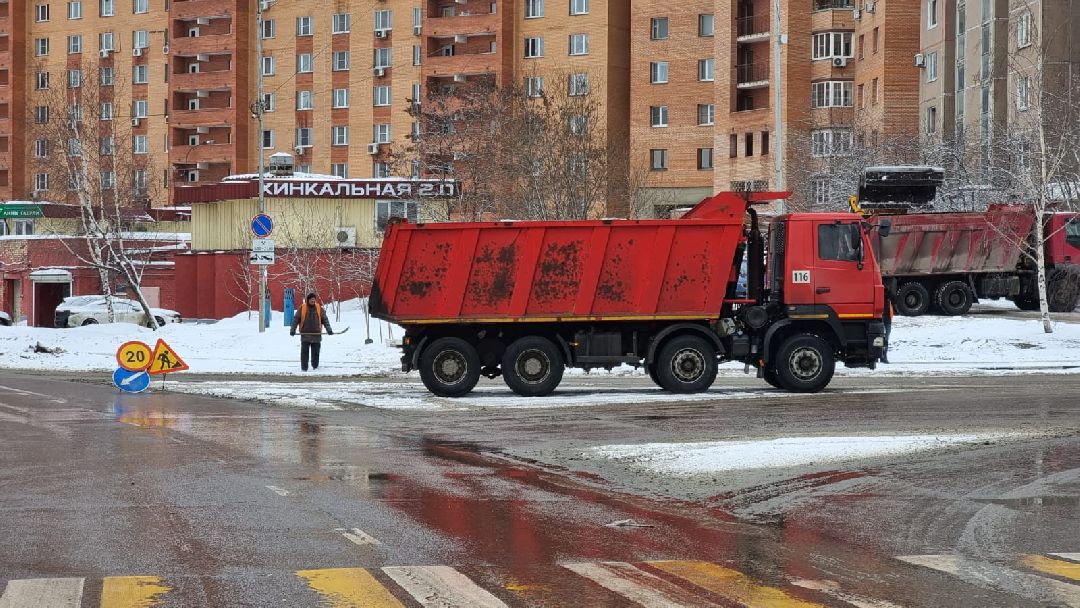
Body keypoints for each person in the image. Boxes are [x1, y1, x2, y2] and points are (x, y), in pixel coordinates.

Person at [290, 292, 333, 371]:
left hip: (316, 335)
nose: (313, 301)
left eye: (314, 299)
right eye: (311, 299)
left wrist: (329, 329)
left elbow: (325, 320)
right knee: (304, 353)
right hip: (305, 335)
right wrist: (292, 330)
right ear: (308, 300)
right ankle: (304, 368)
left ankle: (315, 367)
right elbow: (296, 319)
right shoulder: (302, 308)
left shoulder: (319, 308)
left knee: (316, 353)